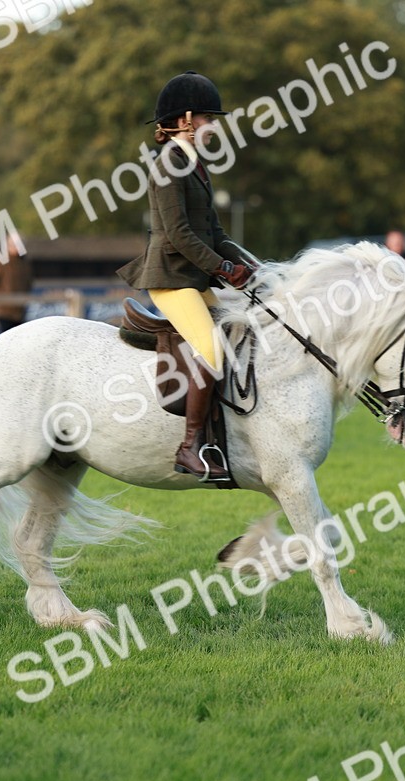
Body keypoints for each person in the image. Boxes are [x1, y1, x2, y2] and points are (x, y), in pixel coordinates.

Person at [116, 71, 256, 481]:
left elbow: (215, 233)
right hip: (170, 278)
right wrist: (222, 268)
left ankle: (222, 436)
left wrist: (252, 266)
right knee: (211, 349)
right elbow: (179, 235)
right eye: (209, 118)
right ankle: (189, 447)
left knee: (237, 332)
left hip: (192, 278)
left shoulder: (194, 165)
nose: (214, 126)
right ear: (187, 120)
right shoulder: (166, 165)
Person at [0, 246, 33, 333]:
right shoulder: (1, 259)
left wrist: (23, 296)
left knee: (18, 336)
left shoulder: (23, 261)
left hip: (19, 309)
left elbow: (28, 281)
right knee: (6, 335)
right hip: (4, 309)